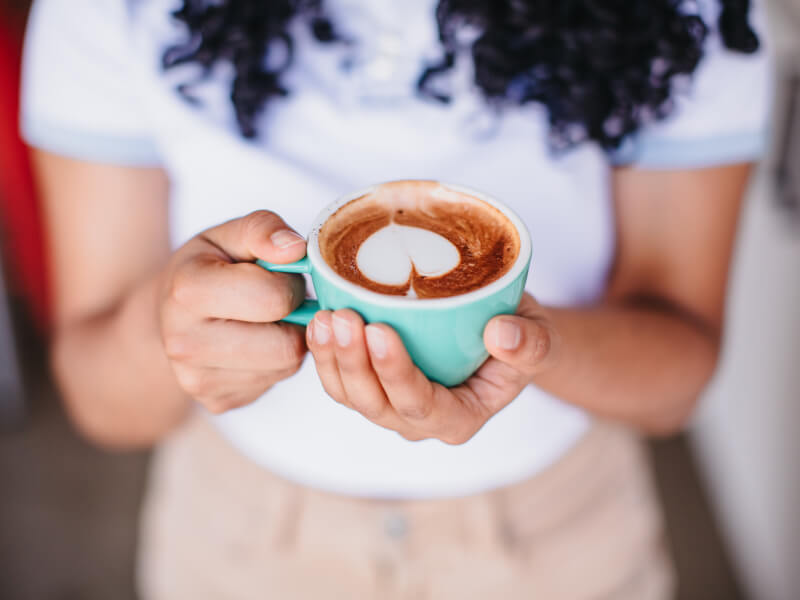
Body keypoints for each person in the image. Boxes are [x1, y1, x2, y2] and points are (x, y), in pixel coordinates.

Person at [21, 0, 771, 598]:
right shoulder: (110, 9)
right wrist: (172, 329)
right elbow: (103, 403)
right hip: (240, 539)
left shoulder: (684, 14)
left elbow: (676, 373)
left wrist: (533, 344)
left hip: (561, 532)